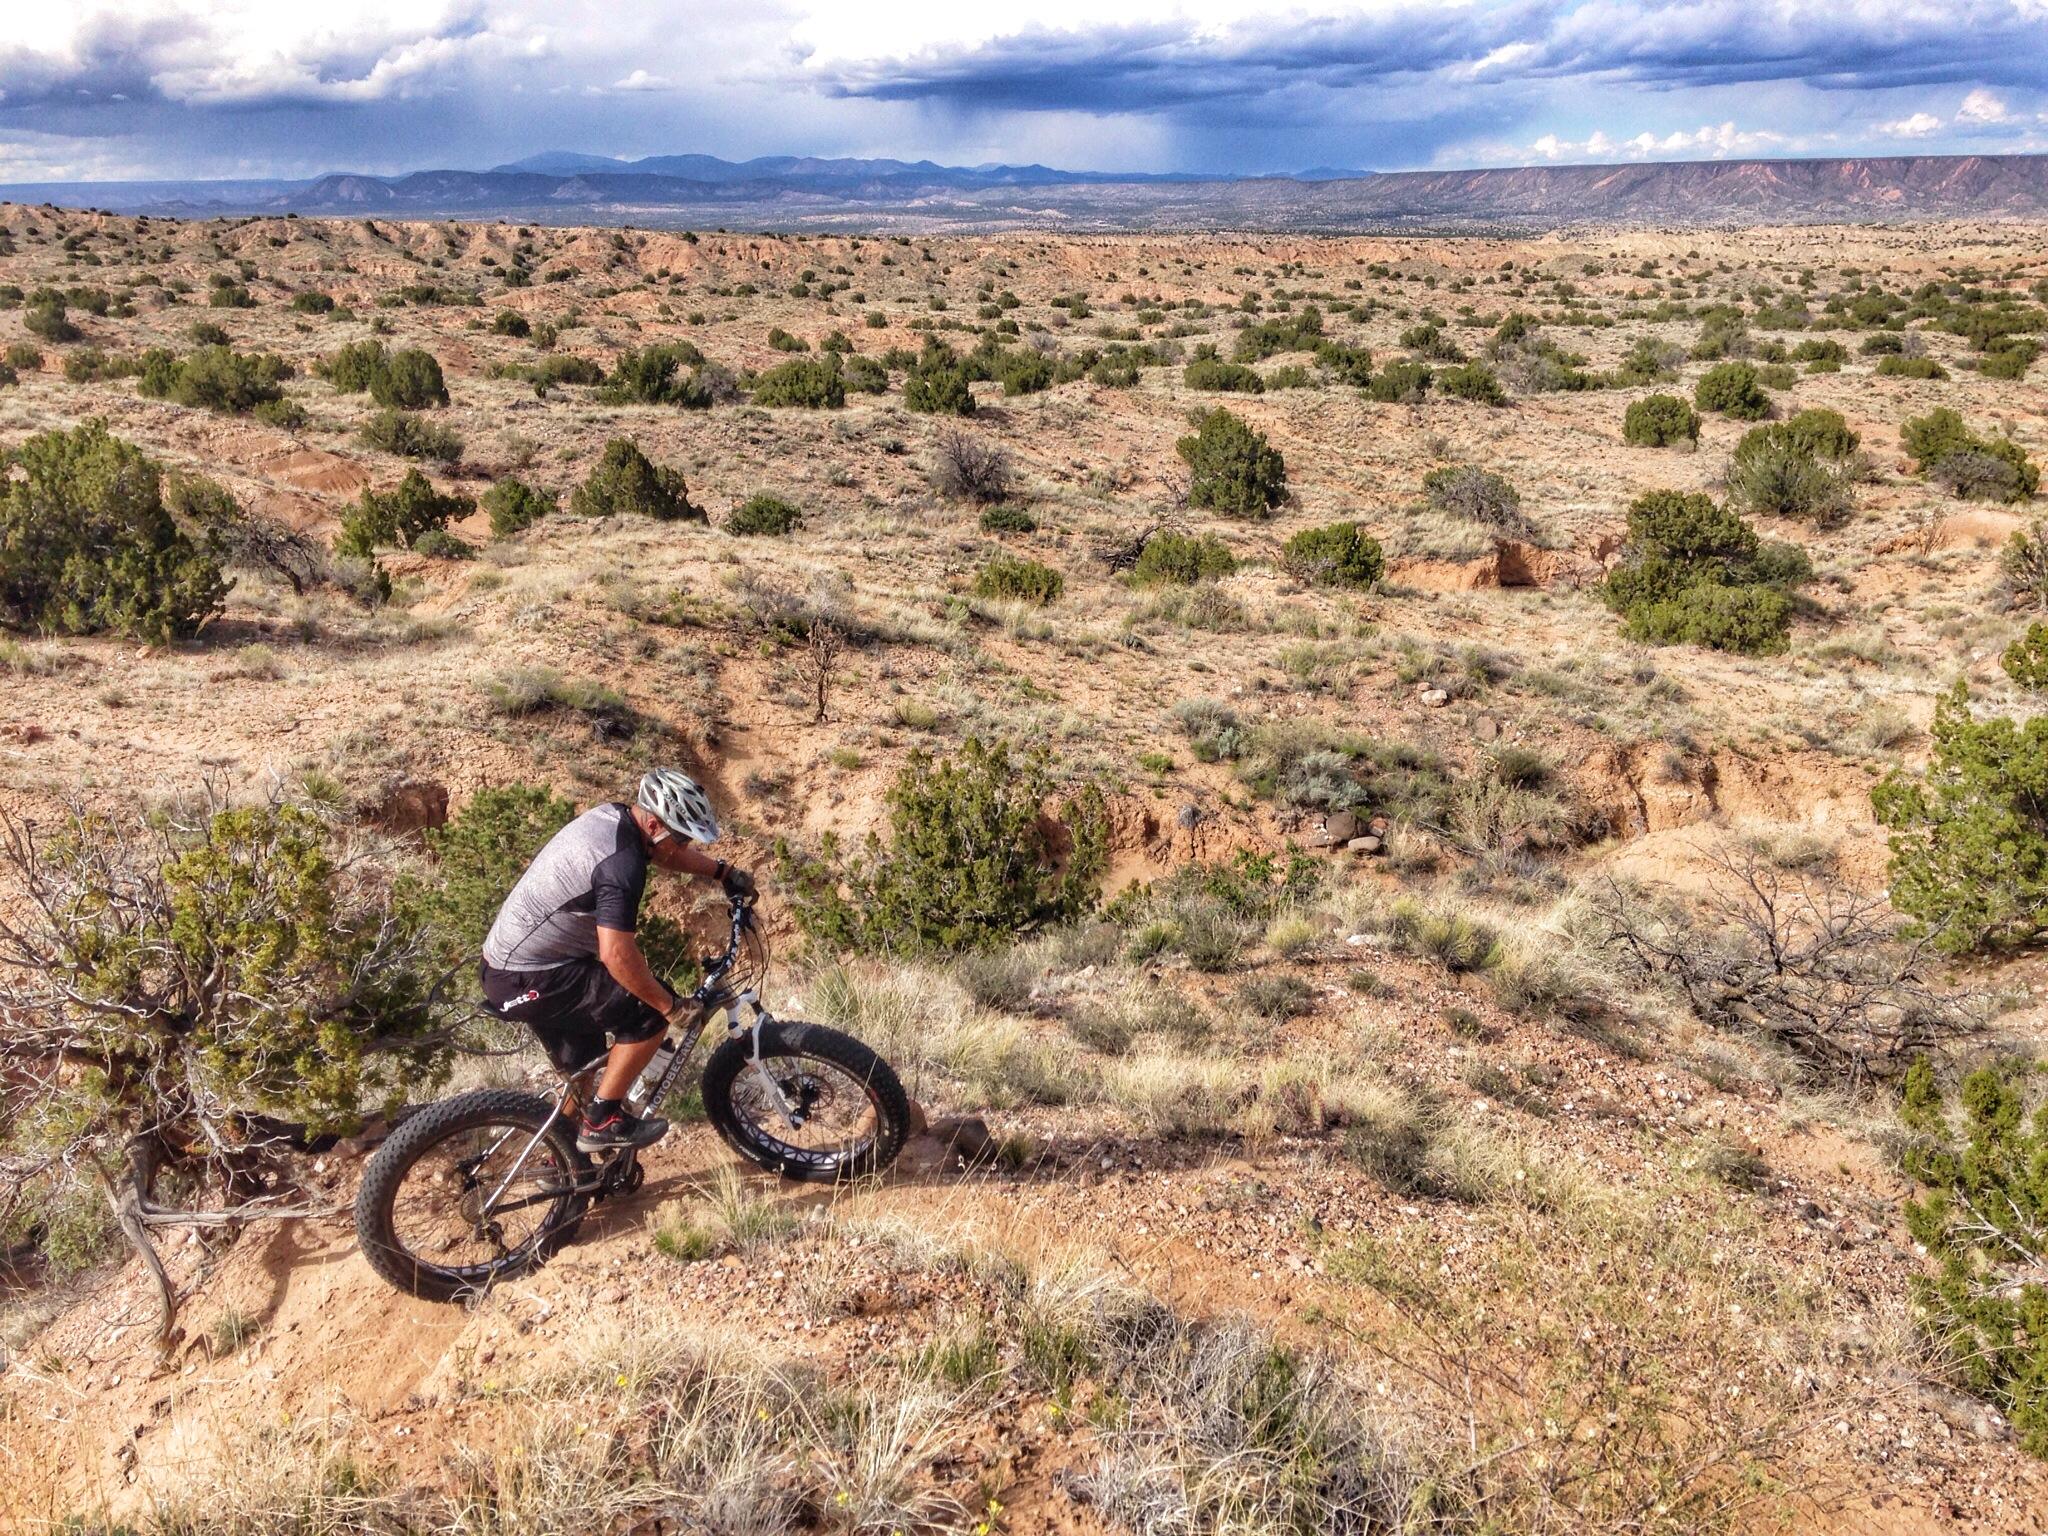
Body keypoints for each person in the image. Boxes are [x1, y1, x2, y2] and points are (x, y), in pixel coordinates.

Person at [480, 768, 755, 1152]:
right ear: (655, 822)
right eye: (680, 835)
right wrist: (670, 1007)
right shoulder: (621, 866)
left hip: (521, 967)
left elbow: (664, 853)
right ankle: (604, 1120)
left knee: (585, 1068)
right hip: (528, 977)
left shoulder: (617, 819)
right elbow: (616, 954)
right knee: (650, 1014)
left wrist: (722, 872)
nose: (683, 844)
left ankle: (560, 1161)